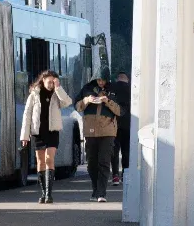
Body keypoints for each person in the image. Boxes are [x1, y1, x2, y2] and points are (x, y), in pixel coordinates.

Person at [19, 70, 72, 204]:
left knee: (49, 159)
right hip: (38, 133)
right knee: (40, 161)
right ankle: (43, 192)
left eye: (53, 82)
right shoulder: (34, 95)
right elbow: (27, 115)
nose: (50, 85)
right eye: (49, 82)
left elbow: (67, 102)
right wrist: (24, 136)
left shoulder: (57, 94)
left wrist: (58, 88)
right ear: (43, 80)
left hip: (52, 132)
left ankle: (49, 194)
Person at [76, 76, 121, 202]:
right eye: (99, 80)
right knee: (92, 164)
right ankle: (95, 189)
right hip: (90, 132)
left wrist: (107, 101)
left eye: (103, 80)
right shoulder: (87, 88)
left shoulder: (113, 90)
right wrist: (86, 100)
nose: (101, 82)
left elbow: (120, 111)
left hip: (108, 132)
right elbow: (77, 106)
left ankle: (102, 193)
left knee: (104, 162)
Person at [107, 72, 131, 185]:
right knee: (126, 151)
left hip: (114, 124)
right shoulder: (132, 88)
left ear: (118, 78)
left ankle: (115, 175)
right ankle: (125, 175)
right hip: (128, 124)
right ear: (127, 79)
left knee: (114, 151)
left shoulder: (111, 87)